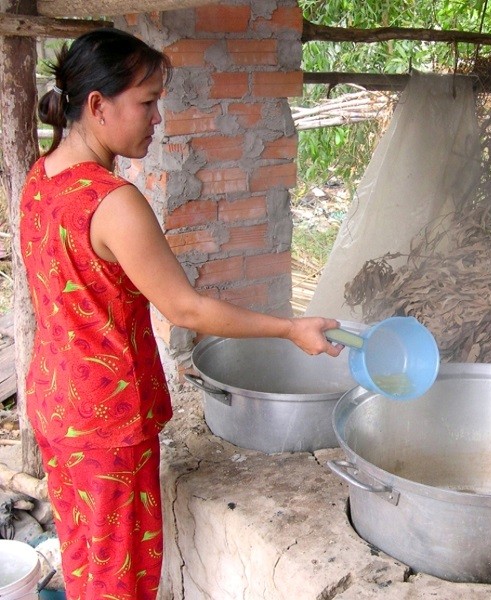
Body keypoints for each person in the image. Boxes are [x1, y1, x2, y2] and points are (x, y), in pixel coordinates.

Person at [19, 27, 343, 600]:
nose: (158, 119)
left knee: (85, 566)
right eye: (146, 103)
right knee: (119, 585)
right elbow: (184, 307)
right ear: (98, 105)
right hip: (106, 426)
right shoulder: (113, 203)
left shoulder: (40, 179)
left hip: (55, 403)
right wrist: (290, 329)